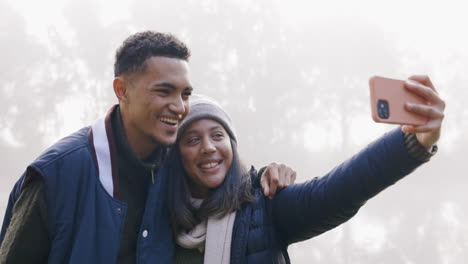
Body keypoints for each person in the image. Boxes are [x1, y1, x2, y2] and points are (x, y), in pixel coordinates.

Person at [0, 31, 295, 263]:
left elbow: (221, 180)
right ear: (121, 90)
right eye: (164, 91)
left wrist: (265, 176)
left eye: (185, 94)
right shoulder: (58, 174)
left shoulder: (175, 163)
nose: (180, 107)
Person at [167, 82, 445, 264]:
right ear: (176, 153)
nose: (208, 148)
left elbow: (337, 191)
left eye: (218, 135)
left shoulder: (263, 205)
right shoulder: (157, 215)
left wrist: (412, 143)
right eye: (192, 140)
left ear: (232, 145)